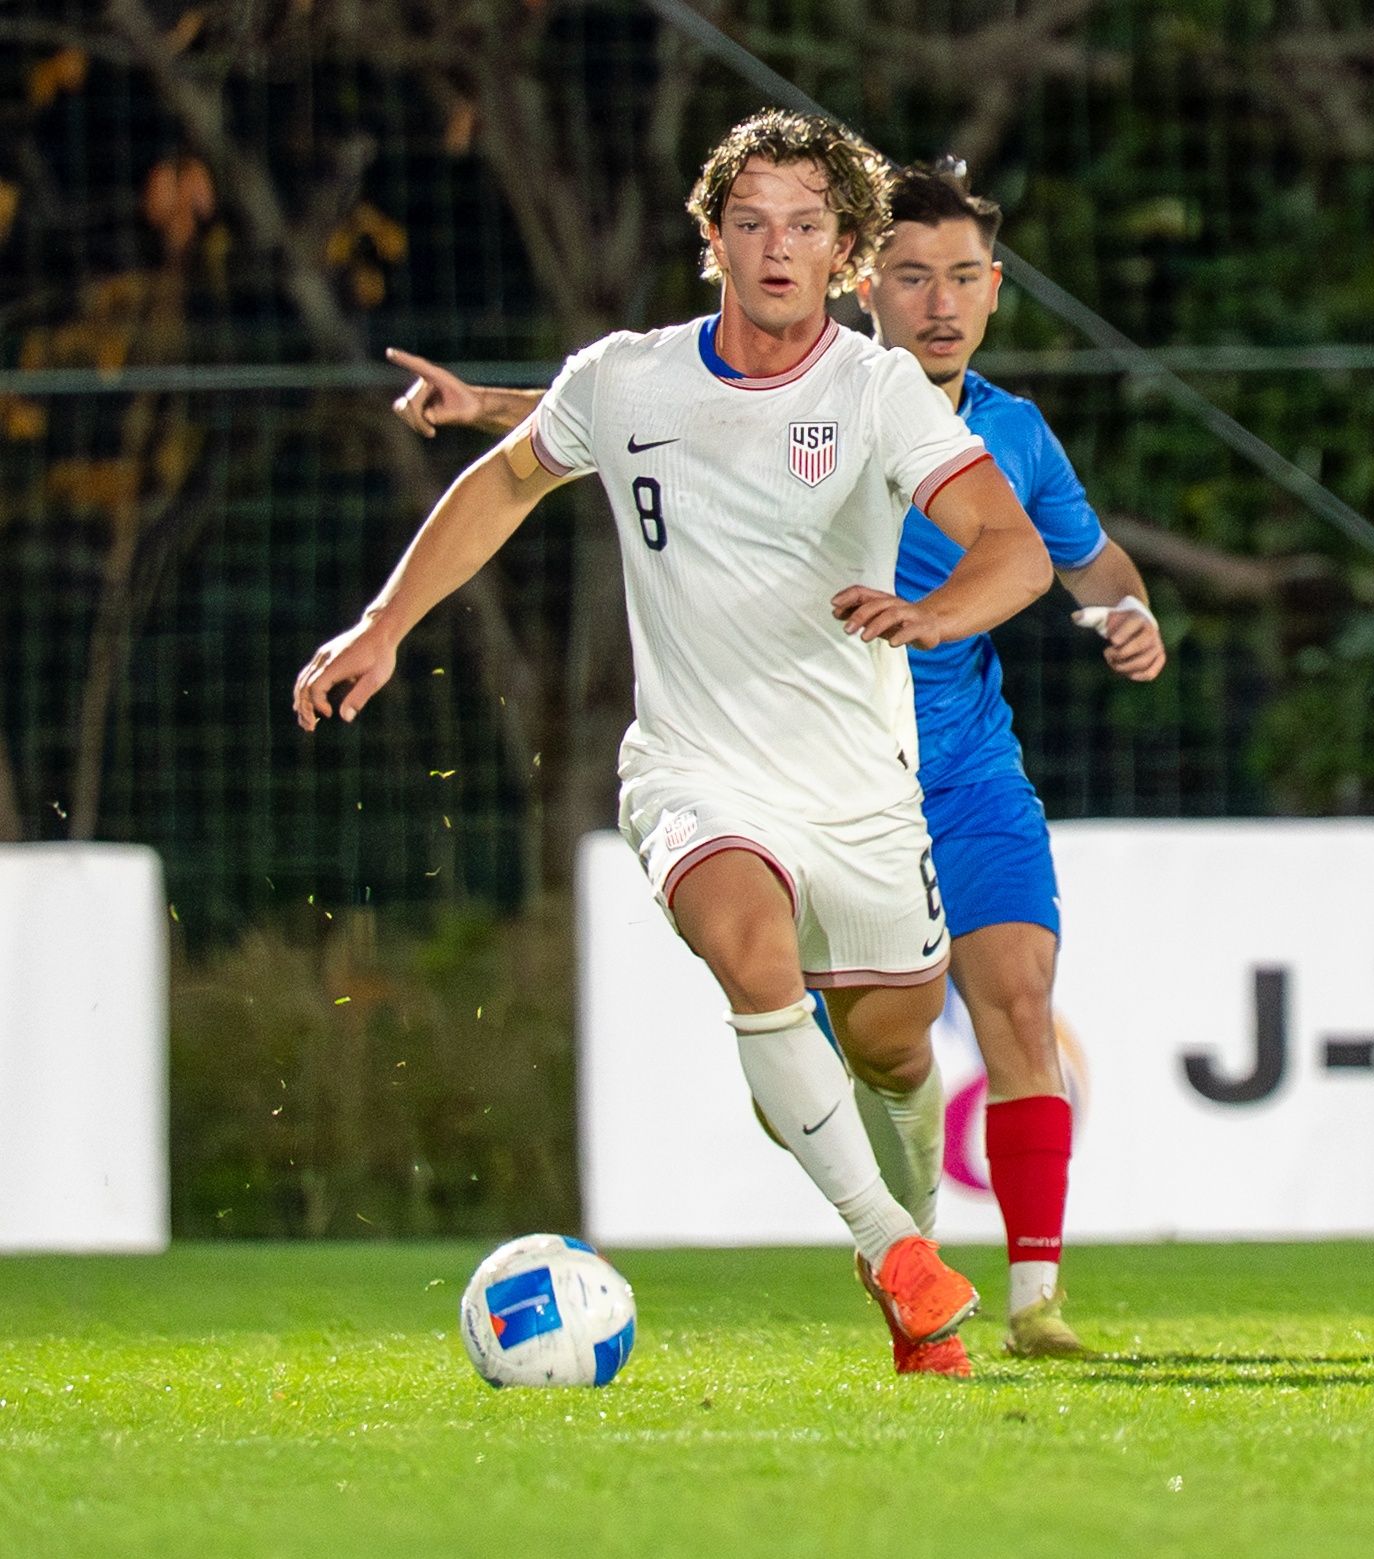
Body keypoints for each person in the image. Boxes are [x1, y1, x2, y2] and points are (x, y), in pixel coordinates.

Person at [296, 109, 1055, 1374]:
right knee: (752, 956)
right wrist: (383, 623)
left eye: (805, 226)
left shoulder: (875, 392)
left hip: (860, 790)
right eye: (749, 221)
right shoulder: (625, 377)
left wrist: (931, 614)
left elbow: (1010, 544)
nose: (775, 247)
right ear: (712, 238)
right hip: (693, 770)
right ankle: (889, 1248)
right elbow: (505, 481)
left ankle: (908, 1226)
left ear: (843, 252)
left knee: (891, 1045)